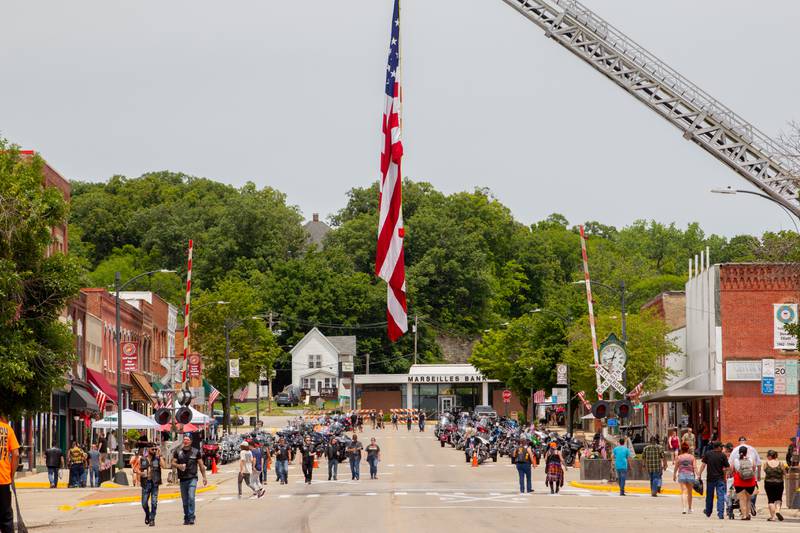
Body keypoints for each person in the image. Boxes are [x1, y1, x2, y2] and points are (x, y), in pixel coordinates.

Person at [171, 434, 208, 526]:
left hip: (192, 478)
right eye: (184, 439)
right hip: (183, 479)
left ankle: (191, 517)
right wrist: (178, 466)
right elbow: (173, 462)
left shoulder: (196, 452)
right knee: (185, 500)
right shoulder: (178, 451)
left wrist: (204, 477)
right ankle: (186, 516)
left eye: (187, 439)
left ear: (191, 441)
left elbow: (201, 465)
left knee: (191, 497)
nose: (186, 441)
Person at [697, 441, 728, 519]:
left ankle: (708, 512)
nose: (722, 448)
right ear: (718, 447)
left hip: (710, 479)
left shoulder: (708, 454)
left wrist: (699, 474)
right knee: (720, 496)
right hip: (720, 479)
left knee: (709, 496)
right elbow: (727, 468)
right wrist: (726, 475)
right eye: (721, 447)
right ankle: (720, 514)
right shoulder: (723, 456)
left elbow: (703, 465)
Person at [0, 414, 20, 533]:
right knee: (6, 518)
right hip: (3, 479)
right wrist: (11, 474)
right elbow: (16, 454)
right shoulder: (7, 429)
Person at [140, 446, 164, 527]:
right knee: (144, 503)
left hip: (155, 483)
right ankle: (148, 514)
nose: (154, 451)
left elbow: (164, 466)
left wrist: (160, 455)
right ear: (148, 449)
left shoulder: (157, 459)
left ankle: (152, 519)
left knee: (154, 502)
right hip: (145, 483)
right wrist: (140, 473)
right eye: (152, 449)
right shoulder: (143, 459)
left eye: (155, 449)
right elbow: (138, 469)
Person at [731, 445, 757, 520]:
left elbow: (732, 470)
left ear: (739, 452)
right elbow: (754, 469)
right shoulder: (751, 459)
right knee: (748, 499)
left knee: (742, 499)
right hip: (750, 482)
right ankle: (748, 514)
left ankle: (744, 515)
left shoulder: (736, 460)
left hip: (739, 482)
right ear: (746, 452)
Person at [763, 450, 788, 522]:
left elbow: (765, 471)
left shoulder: (766, 463)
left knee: (770, 500)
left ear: (770, 456)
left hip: (768, 483)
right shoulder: (781, 463)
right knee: (778, 498)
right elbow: (785, 473)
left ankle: (772, 517)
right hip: (779, 483)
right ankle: (777, 511)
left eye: (768, 456)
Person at [673, 442, 696, 514]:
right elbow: (695, 467)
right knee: (690, 493)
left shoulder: (679, 457)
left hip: (682, 474)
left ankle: (684, 508)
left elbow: (676, 467)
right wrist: (698, 475)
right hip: (690, 475)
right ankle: (689, 508)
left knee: (683, 491)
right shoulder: (692, 457)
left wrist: (674, 474)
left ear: (682, 449)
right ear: (688, 449)